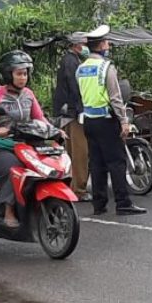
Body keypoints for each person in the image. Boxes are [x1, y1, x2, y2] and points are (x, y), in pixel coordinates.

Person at [77, 25, 147, 216]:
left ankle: (99, 205)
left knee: (97, 163)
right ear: (100, 45)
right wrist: (124, 121)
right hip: (107, 120)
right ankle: (123, 203)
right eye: (106, 42)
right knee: (116, 162)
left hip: (89, 121)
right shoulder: (106, 67)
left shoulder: (81, 68)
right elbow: (115, 97)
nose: (108, 45)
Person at [0, 50, 55, 228]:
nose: (23, 78)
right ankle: (9, 210)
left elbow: (40, 118)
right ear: (9, 74)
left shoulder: (28, 94)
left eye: (25, 74)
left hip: (26, 144)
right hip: (2, 147)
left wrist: (54, 132)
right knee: (13, 168)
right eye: (19, 74)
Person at [52, 32, 91, 202]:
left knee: (71, 151)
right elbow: (75, 87)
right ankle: (79, 189)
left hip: (66, 111)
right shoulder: (71, 62)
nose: (86, 47)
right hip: (73, 112)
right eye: (84, 44)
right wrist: (81, 108)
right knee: (80, 152)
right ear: (77, 45)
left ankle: (71, 185)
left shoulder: (68, 60)